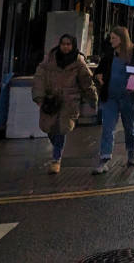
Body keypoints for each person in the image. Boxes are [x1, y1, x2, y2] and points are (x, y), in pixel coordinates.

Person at [32, 34, 98, 174]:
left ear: (73, 46)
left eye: (69, 44)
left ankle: (56, 159)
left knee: (61, 130)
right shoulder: (49, 59)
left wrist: (92, 98)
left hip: (69, 102)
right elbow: (39, 77)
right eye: (63, 44)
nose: (66, 47)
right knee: (49, 129)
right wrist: (39, 97)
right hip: (50, 101)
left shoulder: (78, 62)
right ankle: (57, 150)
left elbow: (86, 81)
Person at [92, 27, 134, 174]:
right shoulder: (109, 54)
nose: (111, 40)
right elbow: (99, 71)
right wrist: (99, 77)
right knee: (108, 129)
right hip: (110, 97)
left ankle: (131, 151)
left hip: (129, 98)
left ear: (122, 38)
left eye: (114, 38)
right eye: (111, 38)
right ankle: (104, 159)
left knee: (130, 128)